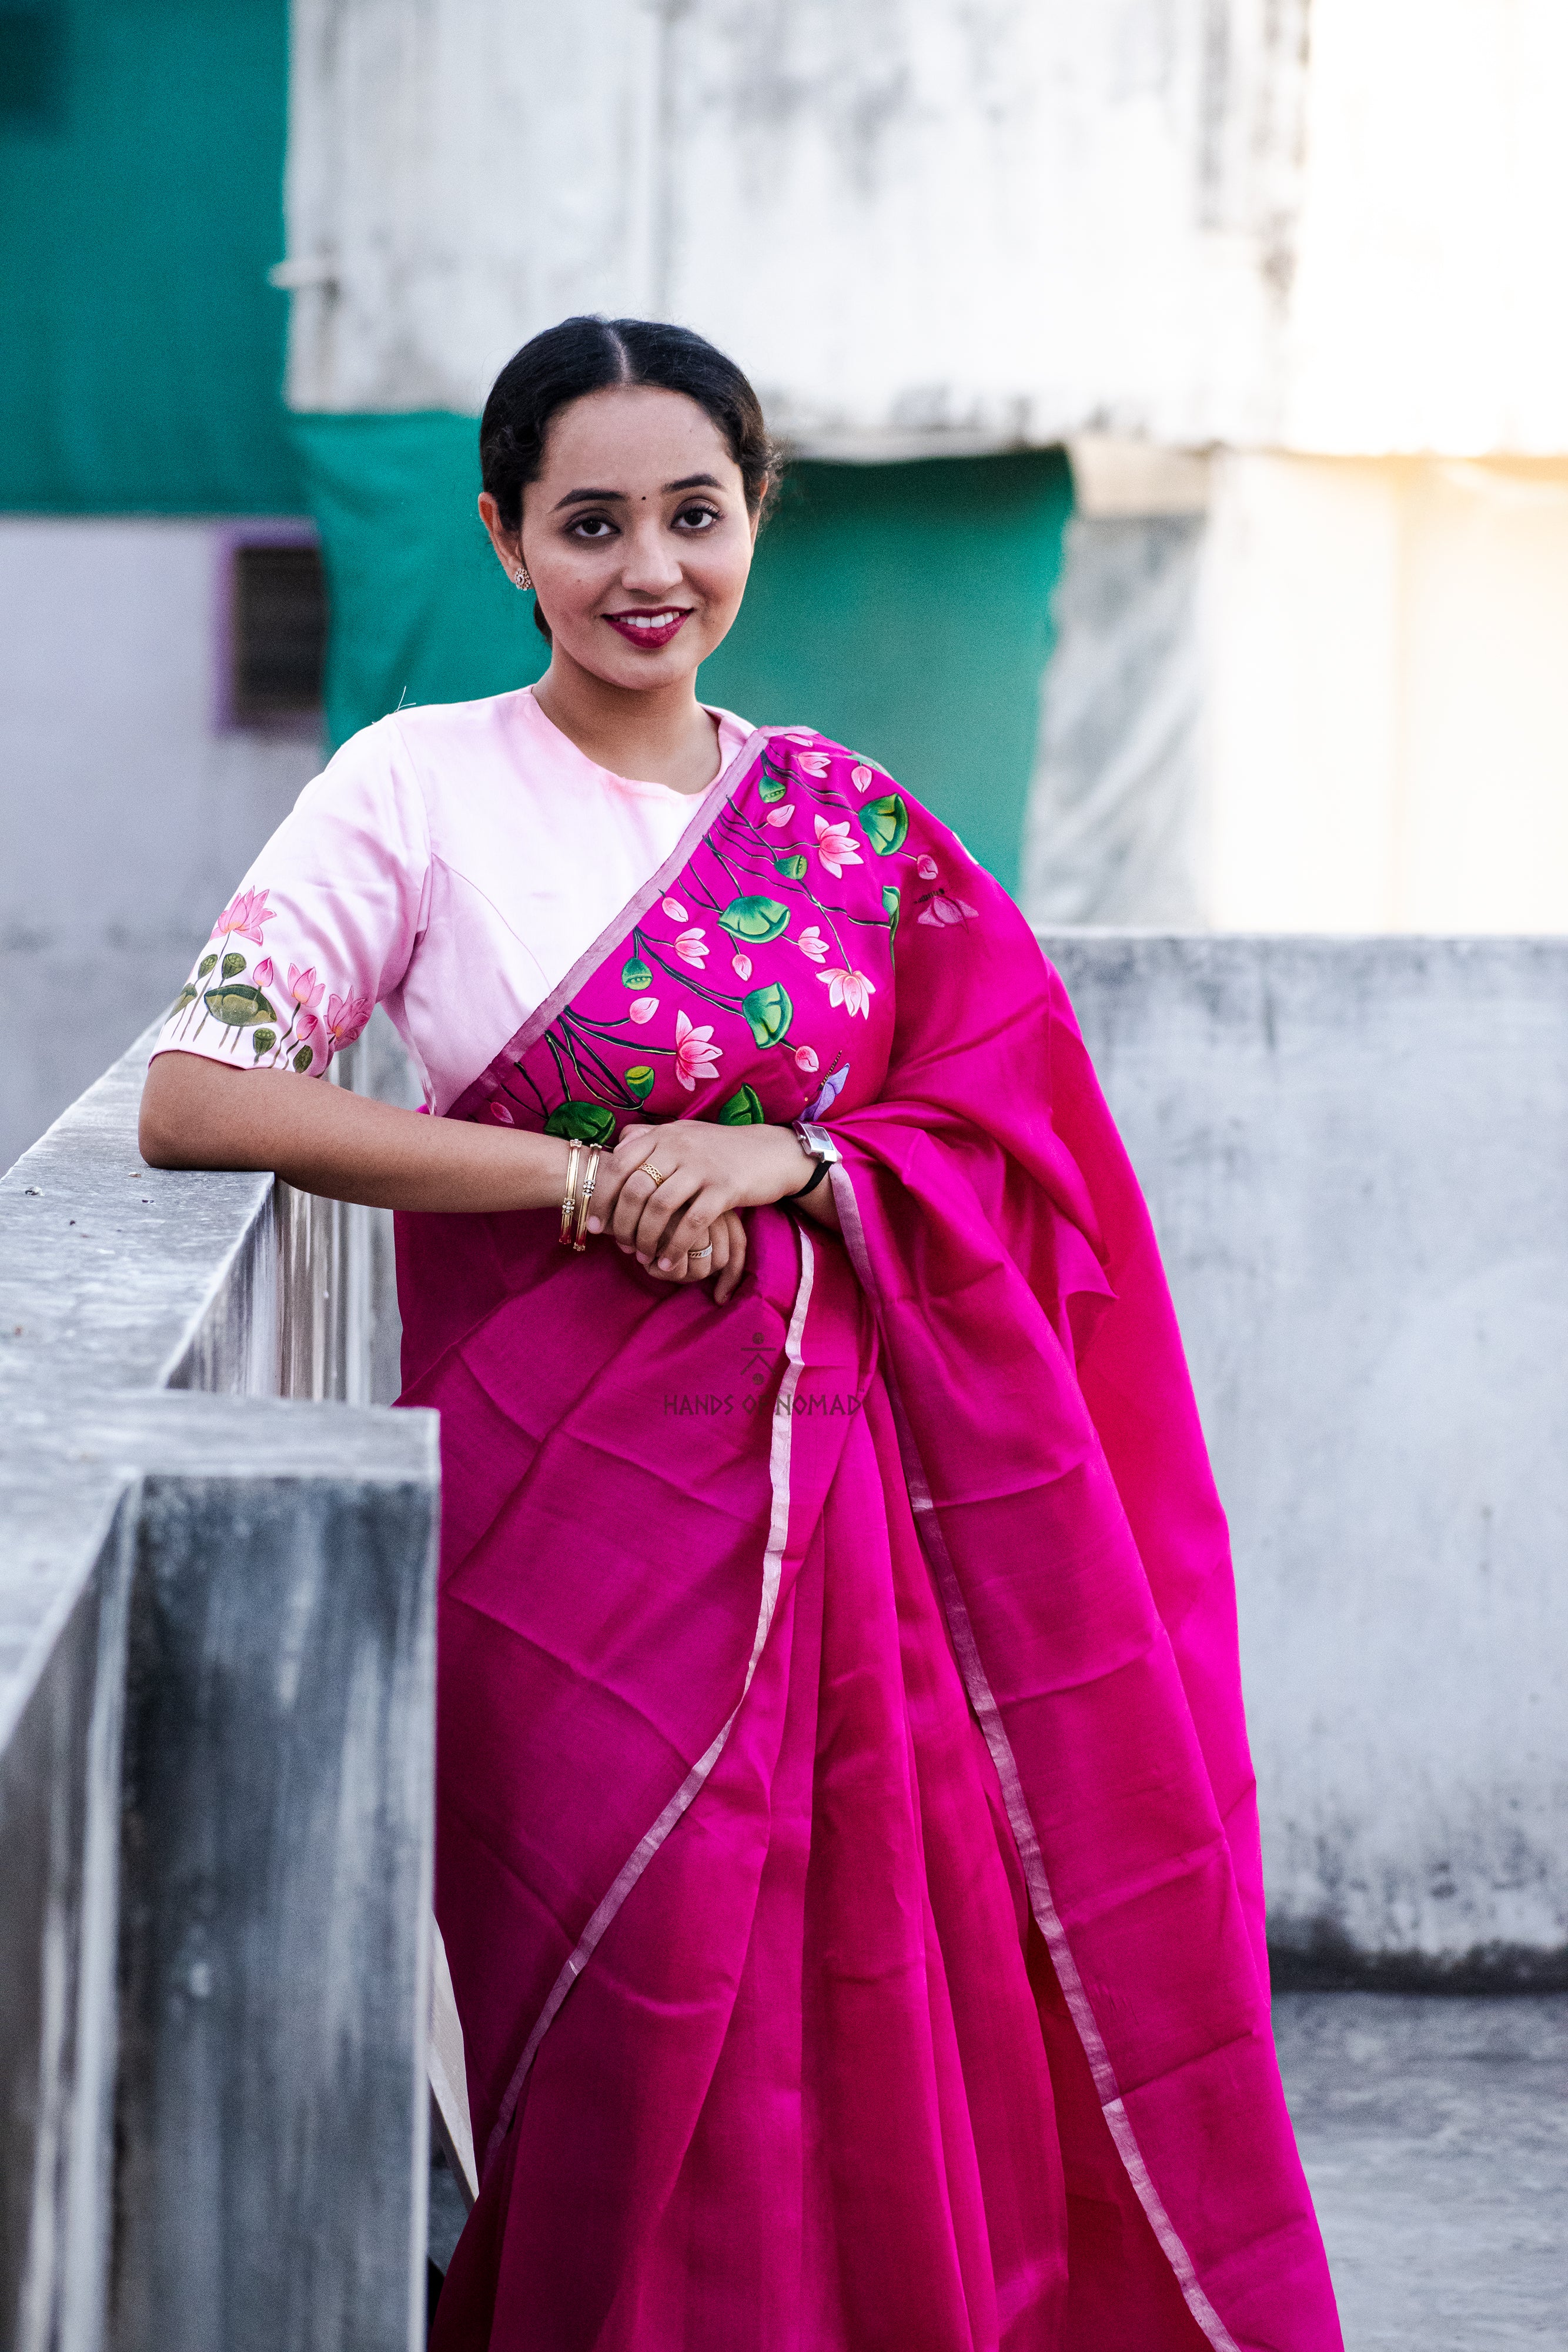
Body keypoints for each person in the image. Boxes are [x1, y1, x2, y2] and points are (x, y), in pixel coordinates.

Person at [140, 315, 1342, 2352]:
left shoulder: (851, 828)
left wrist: (794, 1169)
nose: (646, 570)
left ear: (753, 522)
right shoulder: (413, 788)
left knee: (868, 1999)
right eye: (588, 521)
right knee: (624, 2013)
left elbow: (1007, 1134)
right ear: (509, 539)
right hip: (555, 1550)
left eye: (692, 516)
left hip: (850, 1538)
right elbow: (200, 1092)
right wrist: (588, 1179)